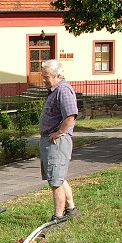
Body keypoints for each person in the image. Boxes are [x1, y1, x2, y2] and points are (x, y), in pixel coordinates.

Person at [39, 59, 80, 222]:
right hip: (50, 141)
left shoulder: (63, 90)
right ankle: (71, 209)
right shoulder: (55, 91)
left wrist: (59, 132)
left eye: (46, 76)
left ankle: (58, 217)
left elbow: (71, 115)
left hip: (57, 142)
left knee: (55, 181)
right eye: (43, 76)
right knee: (58, 177)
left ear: (58, 75)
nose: (43, 80)